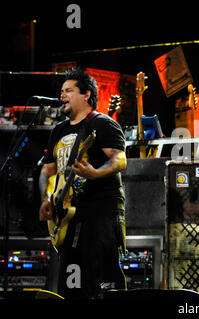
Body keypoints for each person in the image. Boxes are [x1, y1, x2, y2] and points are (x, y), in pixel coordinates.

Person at [38, 68, 127, 298]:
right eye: (61, 92)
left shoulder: (103, 124)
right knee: (70, 286)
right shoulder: (58, 130)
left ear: (86, 94)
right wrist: (46, 198)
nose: (62, 96)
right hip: (68, 217)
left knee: (99, 284)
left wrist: (95, 173)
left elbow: (119, 159)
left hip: (100, 212)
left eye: (68, 90)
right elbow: (47, 170)